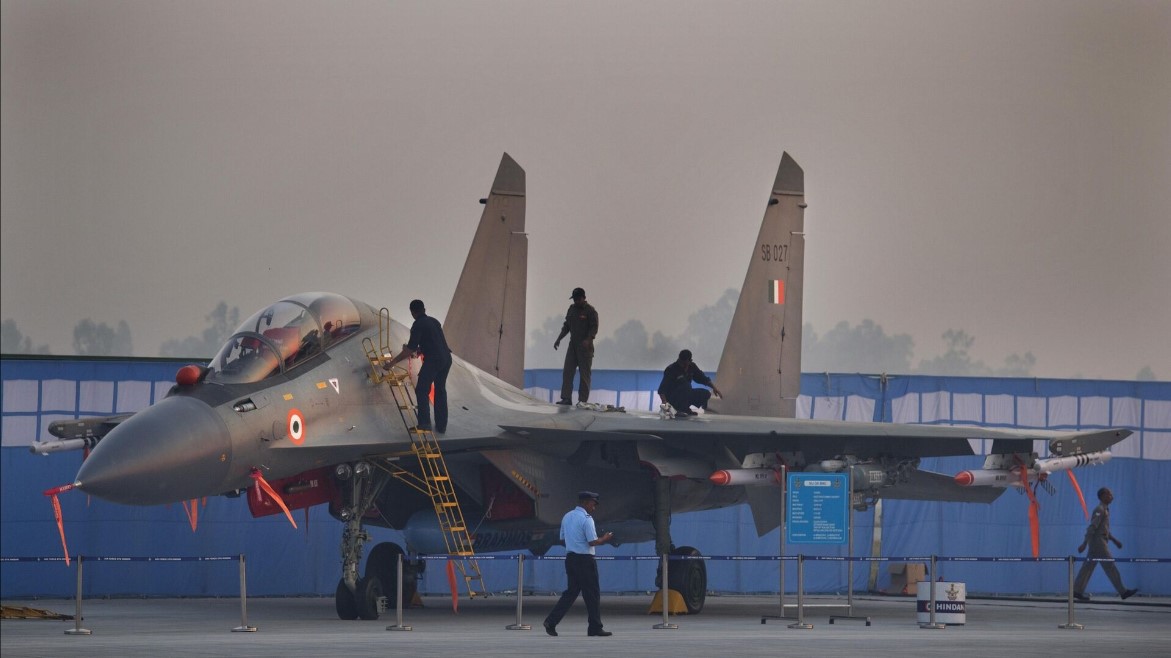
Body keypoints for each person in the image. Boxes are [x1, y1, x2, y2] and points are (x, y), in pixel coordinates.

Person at [543, 491, 614, 637]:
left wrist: (574, 544)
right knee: (592, 594)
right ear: (586, 503)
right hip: (585, 560)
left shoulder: (567, 516)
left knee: (571, 593)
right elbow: (592, 542)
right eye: (593, 504)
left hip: (571, 559)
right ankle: (595, 627)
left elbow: (562, 539)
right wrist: (605, 538)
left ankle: (551, 621)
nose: (594, 508)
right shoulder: (587, 519)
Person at [386, 300, 453, 433]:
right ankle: (441, 425)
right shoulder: (434, 321)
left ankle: (424, 423)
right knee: (440, 390)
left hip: (434, 359)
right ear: (424, 309)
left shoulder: (418, 325)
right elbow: (435, 342)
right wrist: (420, 350)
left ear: (412, 312)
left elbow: (409, 349)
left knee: (422, 390)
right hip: (446, 358)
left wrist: (391, 363)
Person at [1073, 487, 1138, 601]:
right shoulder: (1100, 509)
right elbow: (1092, 527)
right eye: (1109, 494)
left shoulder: (1105, 510)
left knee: (1088, 567)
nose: (1112, 496)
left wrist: (1114, 540)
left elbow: (1104, 530)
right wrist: (1084, 543)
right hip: (1098, 543)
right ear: (1103, 496)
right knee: (1110, 566)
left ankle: (1077, 591)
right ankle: (1123, 591)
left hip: (1099, 541)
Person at [553, 287, 598, 405]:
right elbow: (566, 326)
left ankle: (582, 401)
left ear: (584, 298)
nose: (576, 301)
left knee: (584, 376)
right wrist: (559, 339)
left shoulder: (590, 311)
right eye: (574, 299)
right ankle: (566, 398)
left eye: (578, 299)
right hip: (572, 347)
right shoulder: (571, 309)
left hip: (585, 348)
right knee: (567, 372)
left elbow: (594, 327)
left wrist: (589, 340)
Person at [657, 349, 722, 417]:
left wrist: (714, 388)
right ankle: (677, 409)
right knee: (686, 386)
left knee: (705, 394)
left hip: (685, 394)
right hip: (673, 398)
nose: (684, 366)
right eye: (682, 363)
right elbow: (662, 390)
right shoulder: (671, 369)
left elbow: (702, 378)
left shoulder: (692, 366)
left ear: (690, 361)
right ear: (679, 360)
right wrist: (665, 404)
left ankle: (685, 409)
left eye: (686, 363)